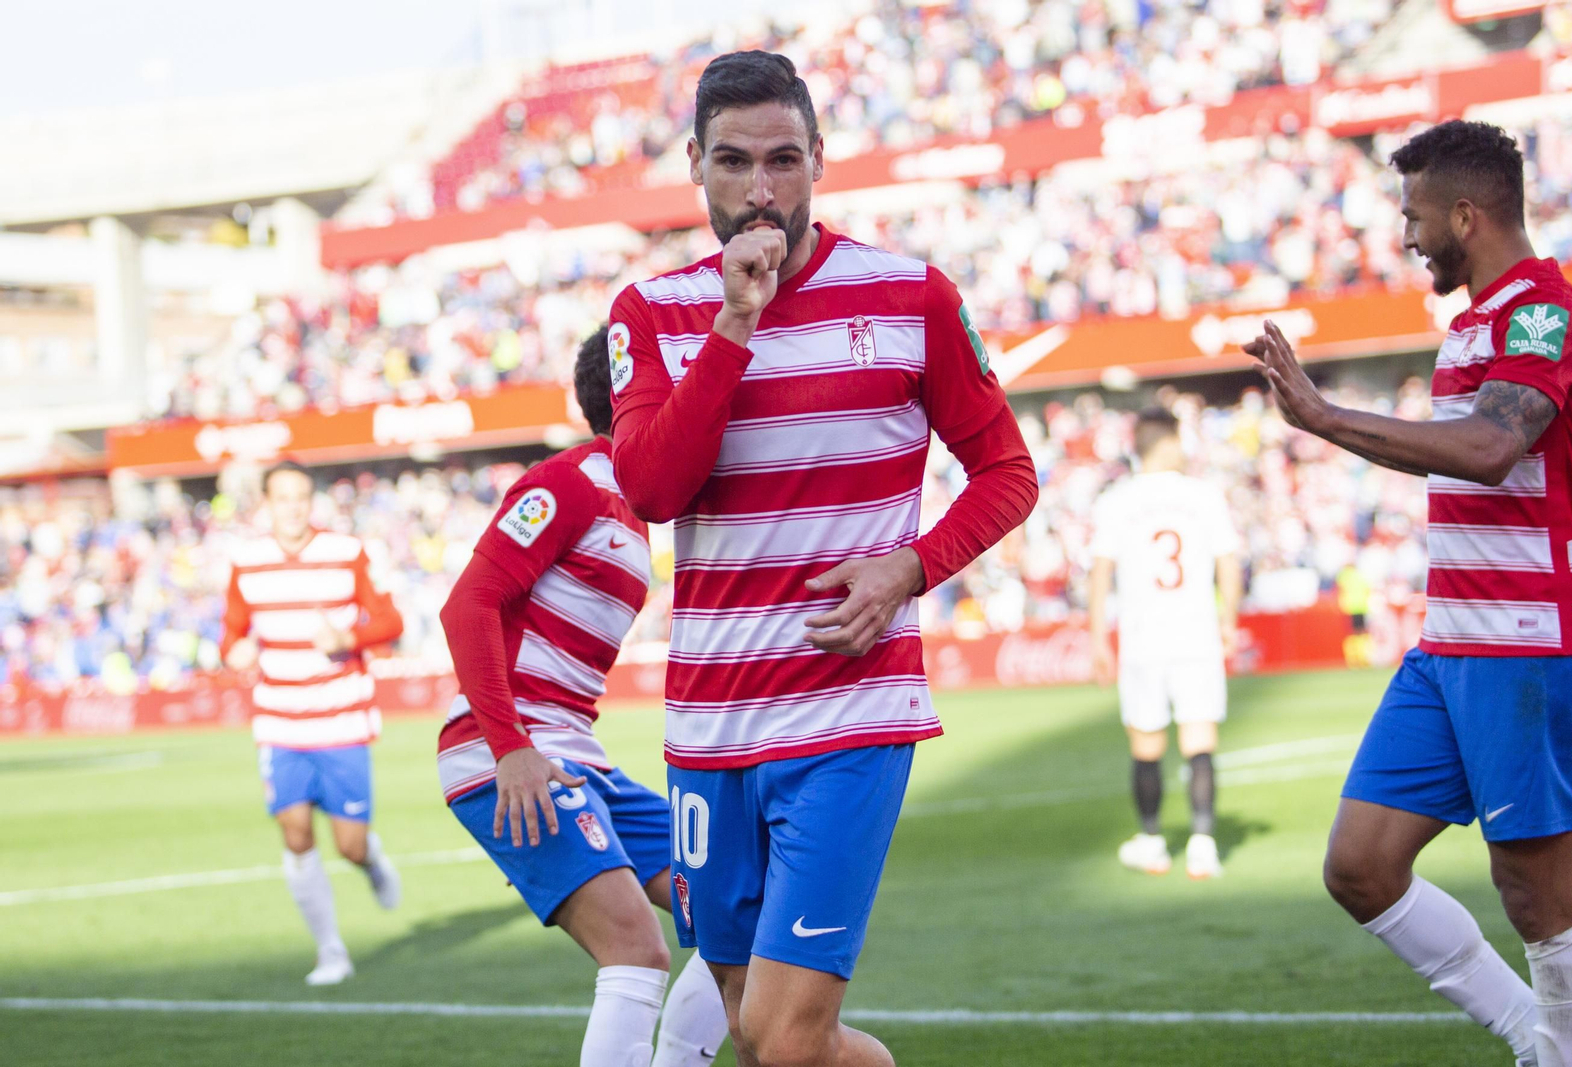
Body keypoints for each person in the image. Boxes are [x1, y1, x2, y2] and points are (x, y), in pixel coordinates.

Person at [606, 51, 1038, 1067]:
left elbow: (1008, 473)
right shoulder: (650, 312)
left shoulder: (911, 295)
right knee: (754, 1031)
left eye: (784, 160)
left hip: (850, 709)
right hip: (709, 723)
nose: (761, 190)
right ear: (695, 165)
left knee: (787, 1037)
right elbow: (653, 490)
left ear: (819, 159)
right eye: (734, 161)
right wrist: (735, 323)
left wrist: (908, 568)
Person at [1248, 119, 1572, 1065]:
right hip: (1451, 645)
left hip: (1528, 644)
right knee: (1361, 865)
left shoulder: (1545, 313)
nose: (1406, 236)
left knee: (1537, 895)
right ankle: (1539, 1041)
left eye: (1414, 217)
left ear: (1467, 215)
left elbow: (1490, 448)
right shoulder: (1472, 324)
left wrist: (1324, 416)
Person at [437, 327, 729, 1067]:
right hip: (509, 753)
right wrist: (511, 749)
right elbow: (467, 604)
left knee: (735, 911)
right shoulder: (569, 483)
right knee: (635, 948)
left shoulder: (636, 506)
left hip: (575, 755)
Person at [222, 459, 404, 986]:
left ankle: (370, 861)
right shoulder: (246, 561)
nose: (293, 507)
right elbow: (230, 632)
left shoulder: (345, 552)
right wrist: (233, 651)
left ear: (312, 500)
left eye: (301, 496)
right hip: (279, 723)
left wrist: (347, 639)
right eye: (282, 498)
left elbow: (390, 620)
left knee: (349, 845)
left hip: (340, 720)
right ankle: (330, 952)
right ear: (266, 504)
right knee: (296, 833)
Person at [1087, 408, 1241, 880]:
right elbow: (1228, 562)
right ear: (1171, 442)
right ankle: (1203, 844)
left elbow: (1100, 573)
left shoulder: (1116, 499)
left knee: (1146, 743)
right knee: (1200, 739)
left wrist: (1098, 638)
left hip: (1142, 637)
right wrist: (1229, 621)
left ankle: (1152, 841)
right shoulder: (1203, 494)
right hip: (1196, 632)